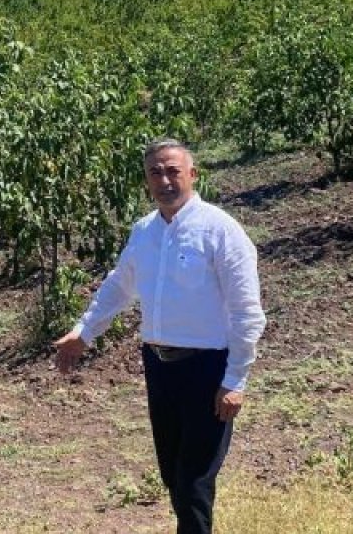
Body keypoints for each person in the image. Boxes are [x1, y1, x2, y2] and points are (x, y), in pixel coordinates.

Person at [54, 138, 266, 534]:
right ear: (146, 180)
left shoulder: (221, 231)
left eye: (173, 170)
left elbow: (246, 311)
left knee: (193, 480)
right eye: (156, 172)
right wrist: (84, 332)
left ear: (192, 174)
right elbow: (119, 287)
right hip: (159, 367)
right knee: (172, 474)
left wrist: (235, 379)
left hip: (208, 368)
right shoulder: (145, 232)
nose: (165, 180)